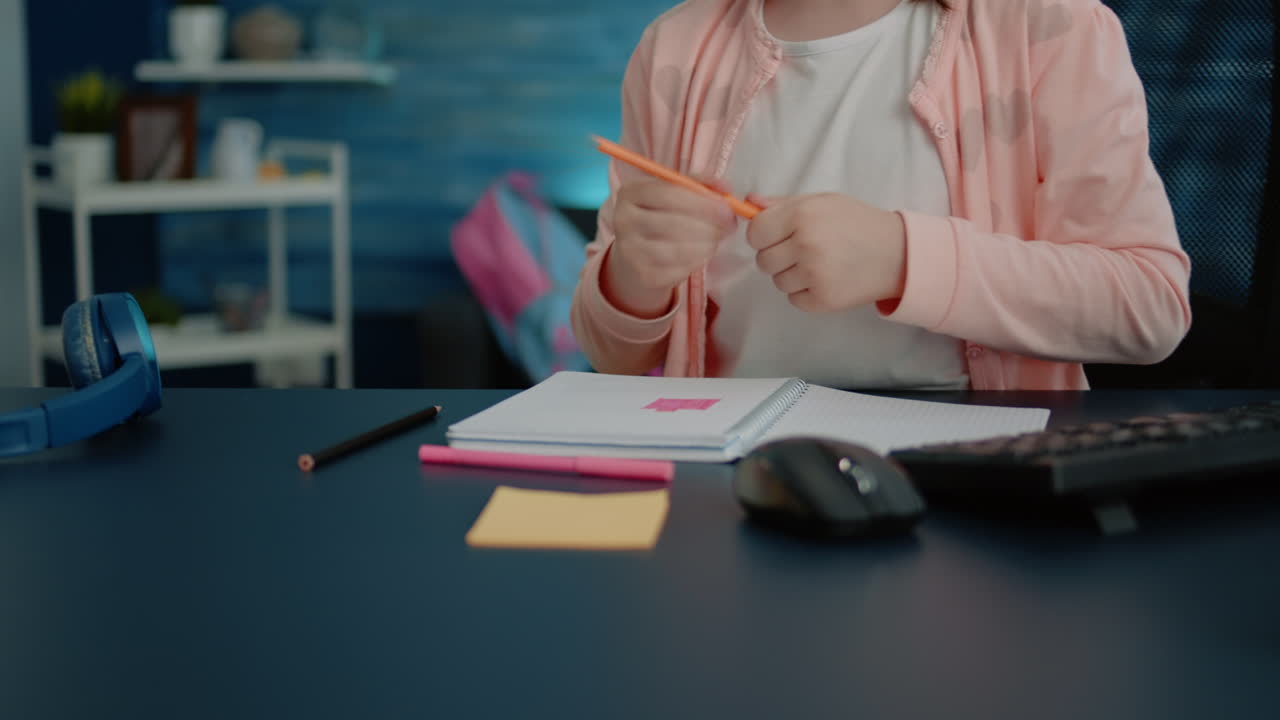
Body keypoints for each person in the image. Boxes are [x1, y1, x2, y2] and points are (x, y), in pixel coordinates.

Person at [569, 0, 1192, 390]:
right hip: (732, 463)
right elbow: (611, 356)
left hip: (980, 471)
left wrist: (902, 259)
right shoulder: (673, 48)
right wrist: (634, 276)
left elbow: (1148, 308)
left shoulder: (1051, 25)